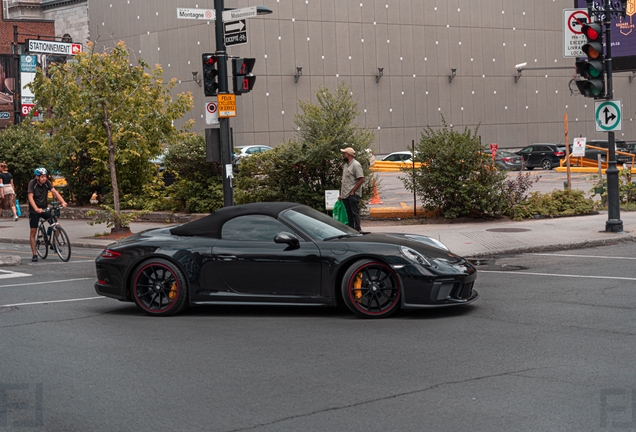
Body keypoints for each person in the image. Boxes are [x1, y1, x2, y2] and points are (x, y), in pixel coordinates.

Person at [28, 167, 67, 262]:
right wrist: (36, 209)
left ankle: (53, 245)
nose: (44, 178)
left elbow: (54, 192)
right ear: (37, 177)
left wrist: (63, 202)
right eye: (42, 177)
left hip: (45, 209)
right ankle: (34, 254)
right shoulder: (32, 184)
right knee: (33, 232)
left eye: (45, 176)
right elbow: (30, 197)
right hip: (34, 211)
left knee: (57, 225)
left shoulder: (46, 183)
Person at [339, 146, 365, 232]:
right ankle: (351, 229)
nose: (343, 155)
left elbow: (361, 178)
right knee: (349, 213)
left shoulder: (356, 165)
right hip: (346, 194)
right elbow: (345, 181)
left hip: (352, 194)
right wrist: (342, 194)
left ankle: (358, 229)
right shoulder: (346, 166)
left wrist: (353, 191)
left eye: (344, 153)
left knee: (354, 213)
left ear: (348, 154)